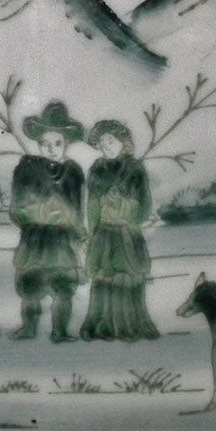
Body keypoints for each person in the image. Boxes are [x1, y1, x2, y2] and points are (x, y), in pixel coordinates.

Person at [10, 101, 85, 343]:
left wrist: (75, 228)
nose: (51, 149)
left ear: (66, 143)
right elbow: (17, 209)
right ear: (38, 144)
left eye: (57, 143)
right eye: (45, 143)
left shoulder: (73, 173)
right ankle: (29, 327)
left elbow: (77, 210)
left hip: (62, 243)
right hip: (35, 242)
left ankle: (60, 331)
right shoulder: (27, 170)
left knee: (63, 288)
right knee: (31, 287)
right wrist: (41, 213)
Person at [80, 120, 160, 342]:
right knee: (104, 278)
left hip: (126, 234)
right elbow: (92, 208)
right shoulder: (97, 170)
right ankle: (103, 323)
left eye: (110, 141)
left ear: (122, 141)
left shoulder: (134, 169)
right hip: (103, 235)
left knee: (126, 277)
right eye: (102, 143)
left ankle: (128, 324)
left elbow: (143, 209)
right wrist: (92, 233)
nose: (106, 146)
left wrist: (122, 206)